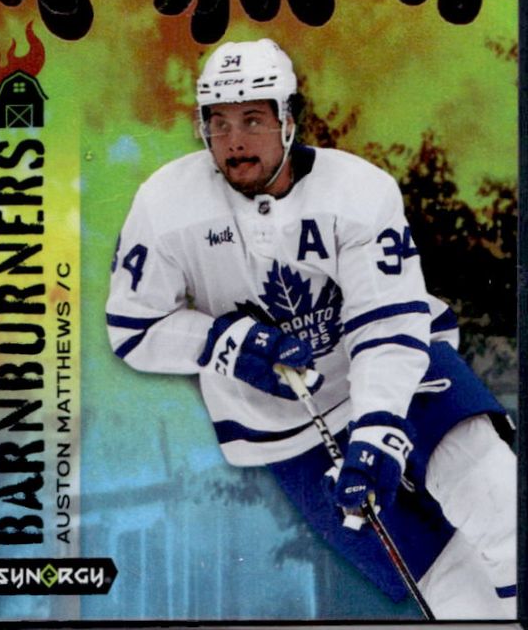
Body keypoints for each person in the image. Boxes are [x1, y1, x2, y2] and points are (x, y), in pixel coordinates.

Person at [106, 38, 517, 619]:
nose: (234, 140)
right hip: (288, 432)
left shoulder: (358, 191)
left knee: (503, 507)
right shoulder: (165, 205)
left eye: (253, 119)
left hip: (404, 375)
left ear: (288, 120)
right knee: (454, 592)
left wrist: (377, 430)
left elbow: (386, 320)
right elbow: (134, 325)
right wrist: (224, 342)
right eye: (218, 123)